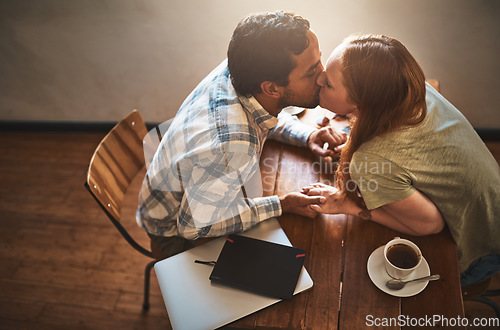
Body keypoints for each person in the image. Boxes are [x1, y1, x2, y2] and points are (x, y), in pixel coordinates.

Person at [136, 11, 346, 259]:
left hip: (191, 188)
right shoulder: (233, 148)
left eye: (319, 61)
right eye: (311, 72)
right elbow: (195, 227)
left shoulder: (239, 70)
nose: (323, 76)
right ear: (271, 87)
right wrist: (281, 204)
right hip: (172, 234)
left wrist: (307, 136)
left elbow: (258, 114)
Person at [303, 34, 500, 286]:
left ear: (362, 101)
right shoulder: (409, 90)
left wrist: (350, 206)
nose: (319, 78)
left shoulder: (369, 161)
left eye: (328, 83)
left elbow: (430, 224)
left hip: (479, 249)